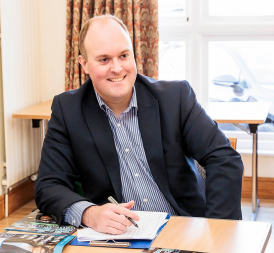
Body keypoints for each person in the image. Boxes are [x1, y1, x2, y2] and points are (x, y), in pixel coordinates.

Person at [35, 14, 243, 235]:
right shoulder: (68, 110)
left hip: (184, 228)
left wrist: (218, 233)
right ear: (84, 64)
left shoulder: (175, 98)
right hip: (119, 237)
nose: (117, 68)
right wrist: (90, 213)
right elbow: (49, 185)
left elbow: (224, 159)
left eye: (124, 55)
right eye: (104, 60)